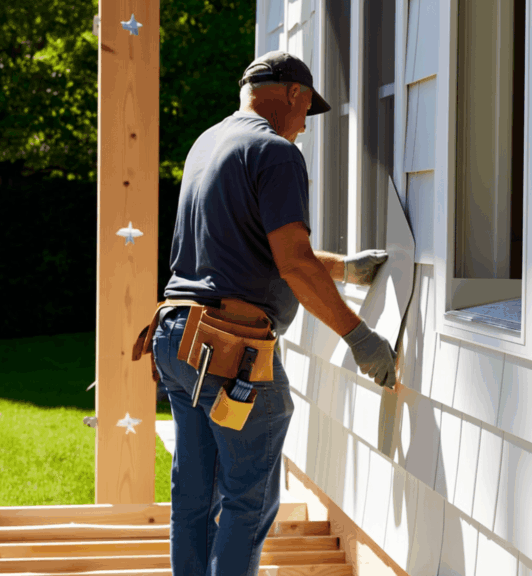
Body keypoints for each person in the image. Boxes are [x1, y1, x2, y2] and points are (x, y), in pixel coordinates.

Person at [150, 51, 397, 576]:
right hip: (228, 350)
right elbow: (293, 262)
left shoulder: (208, 144)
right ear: (292, 93)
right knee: (247, 499)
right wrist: (361, 339)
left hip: (176, 335)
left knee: (194, 496)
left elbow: (244, 249)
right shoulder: (275, 152)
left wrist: (344, 271)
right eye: (308, 110)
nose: (305, 127)